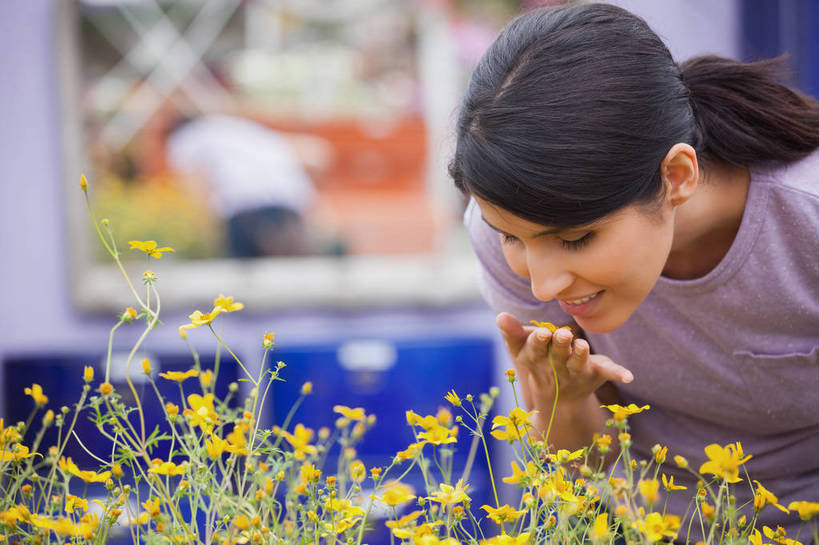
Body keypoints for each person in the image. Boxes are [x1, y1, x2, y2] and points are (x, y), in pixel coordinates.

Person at [449, 2, 819, 537]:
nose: (543, 285)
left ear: (677, 175)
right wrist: (564, 401)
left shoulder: (806, 218)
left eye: (575, 239)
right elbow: (583, 467)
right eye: (513, 238)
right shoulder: (503, 219)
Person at [166, 113, 332, 258]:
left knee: (244, 278)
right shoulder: (242, 130)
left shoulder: (186, 138)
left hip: (245, 211)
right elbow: (315, 155)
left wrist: (205, 230)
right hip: (291, 209)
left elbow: (197, 186)